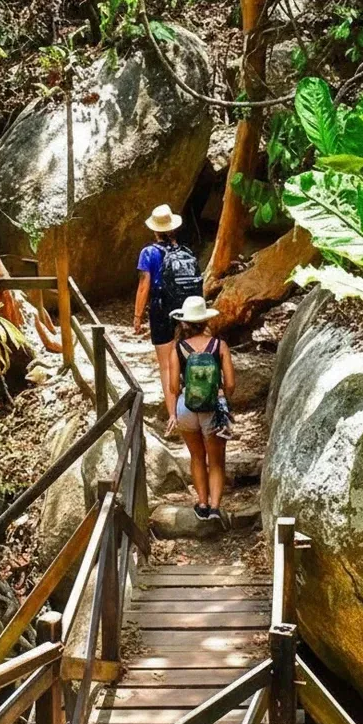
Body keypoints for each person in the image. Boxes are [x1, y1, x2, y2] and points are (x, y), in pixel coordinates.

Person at [133, 204, 202, 434]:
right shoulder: (186, 251)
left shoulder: (149, 253)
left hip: (161, 310)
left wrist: (137, 316)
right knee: (188, 358)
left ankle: (174, 417)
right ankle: (198, 409)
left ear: (155, 230)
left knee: (166, 365)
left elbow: (144, 285)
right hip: (188, 311)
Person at [167, 296, 235, 523]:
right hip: (213, 407)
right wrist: (221, 397)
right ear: (205, 320)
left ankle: (202, 504)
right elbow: (231, 383)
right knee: (216, 461)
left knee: (197, 456)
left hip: (186, 407)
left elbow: (173, 387)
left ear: (185, 321)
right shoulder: (219, 345)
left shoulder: (178, 348)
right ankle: (215, 508)